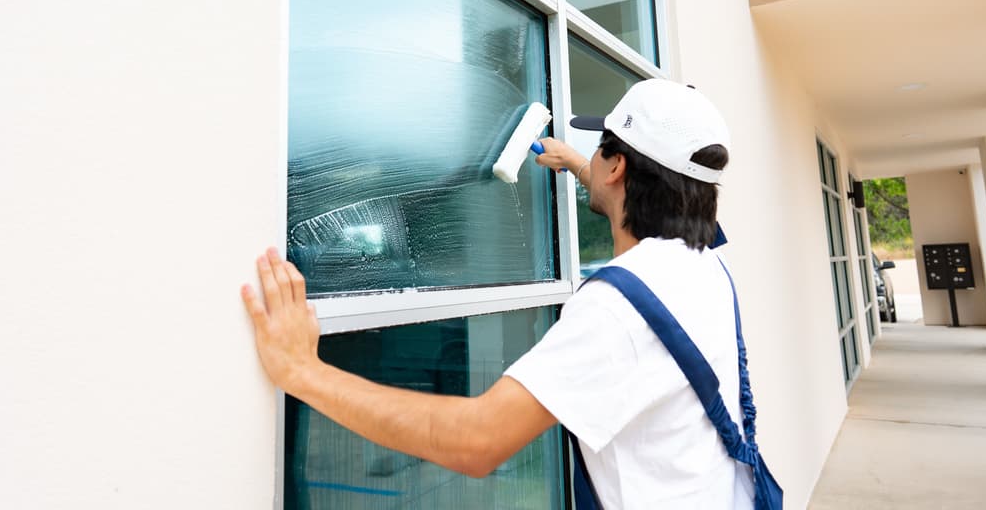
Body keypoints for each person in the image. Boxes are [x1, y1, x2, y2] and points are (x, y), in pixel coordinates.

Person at [242, 78, 758, 508]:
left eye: (603, 152)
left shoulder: (619, 307)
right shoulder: (708, 265)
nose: (596, 160)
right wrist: (582, 166)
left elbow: (478, 440)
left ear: (618, 167)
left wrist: (303, 372)